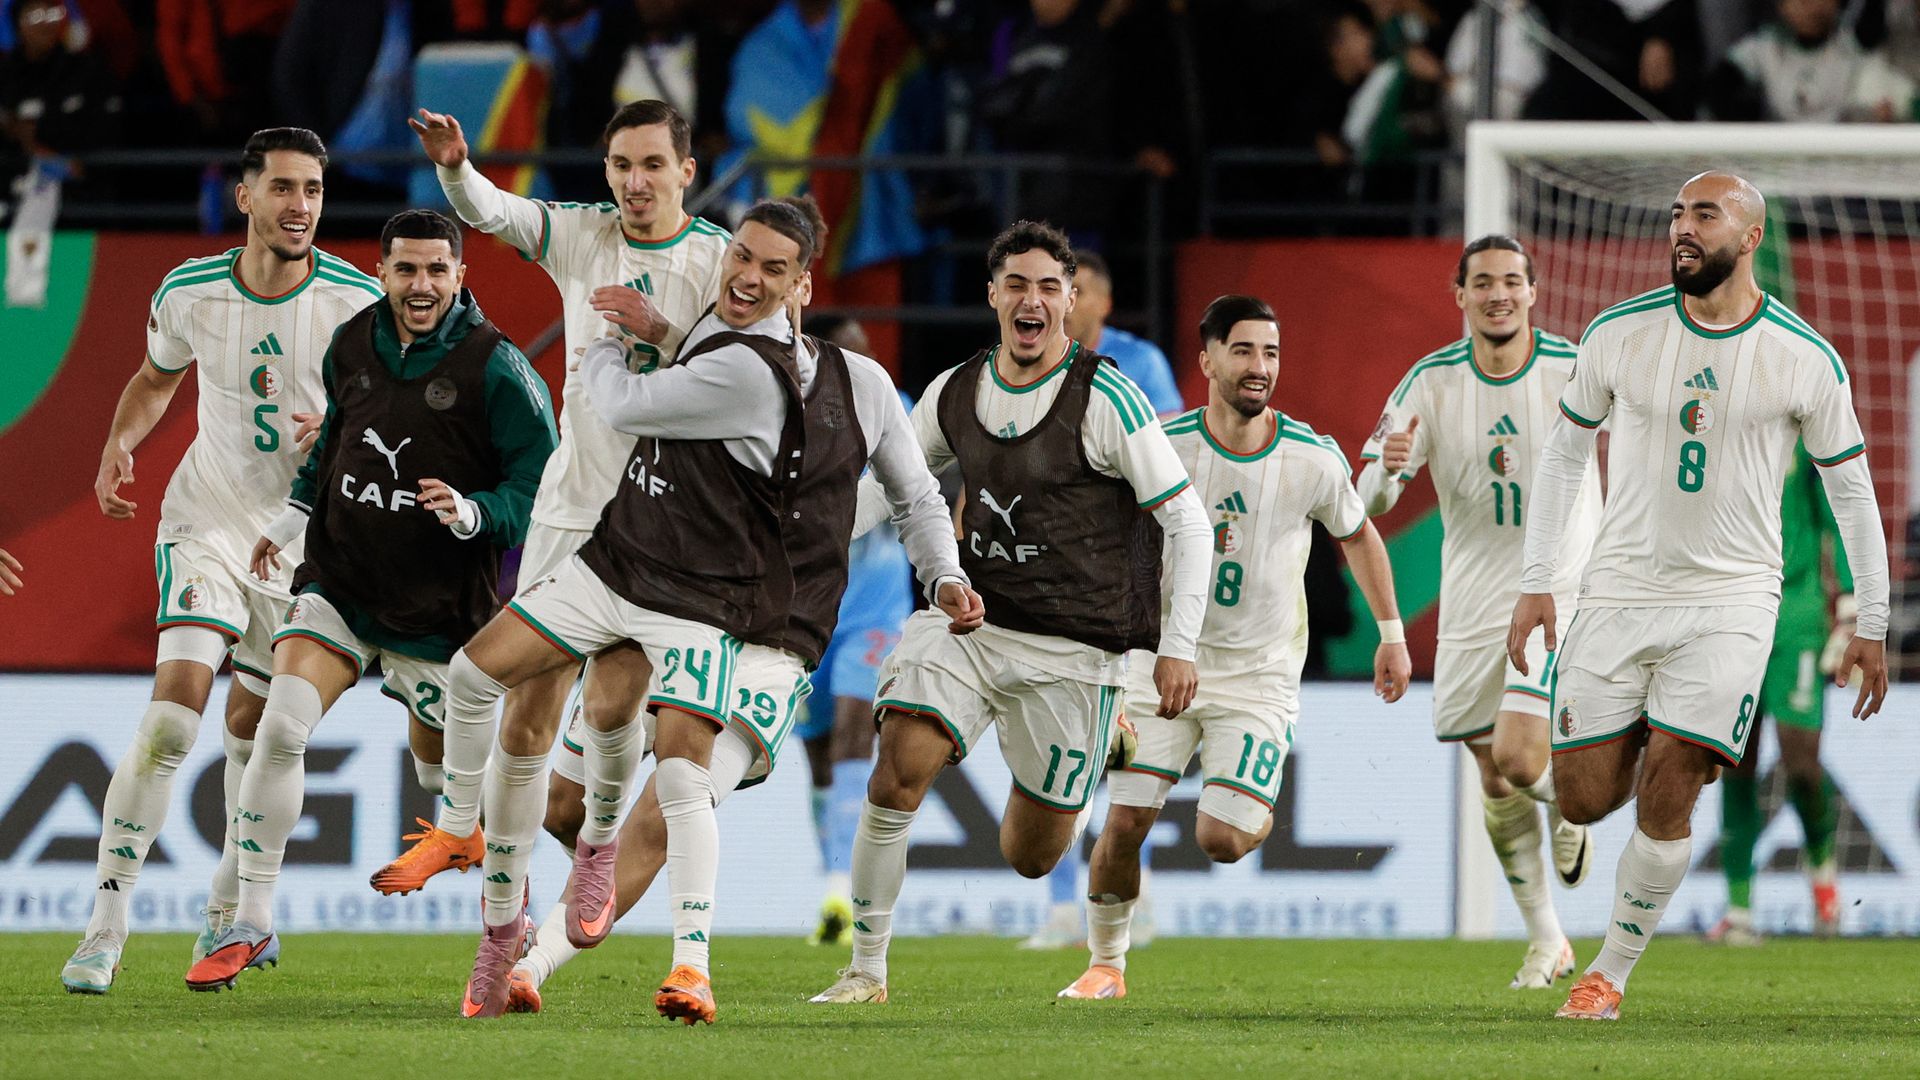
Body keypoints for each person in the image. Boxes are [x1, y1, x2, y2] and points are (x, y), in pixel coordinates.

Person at [449, 197, 976, 1022]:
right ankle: (571, 906)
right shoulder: (715, 360)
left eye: (774, 268)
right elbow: (695, 369)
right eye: (742, 257)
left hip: (773, 639)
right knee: (566, 804)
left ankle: (548, 964)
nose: (750, 277)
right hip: (679, 602)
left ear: (801, 286)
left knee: (668, 798)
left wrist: (941, 572)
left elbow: (910, 497)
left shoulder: (864, 387)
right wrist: (659, 333)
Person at [1512, 171, 1890, 1021]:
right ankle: (1626, 751)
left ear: (1750, 236)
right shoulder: (1618, 334)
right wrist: (1538, 580)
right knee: (1580, 796)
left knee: (1674, 787)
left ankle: (1607, 974)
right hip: (1618, 590)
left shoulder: (1803, 356)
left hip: (1733, 601)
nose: (1683, 228)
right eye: (1677, 214)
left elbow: (1853, 492)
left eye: (1704, 215)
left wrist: (1871, 618)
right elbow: (1567, 458)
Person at [809, 219, 1212, 1006]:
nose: (1033, 300)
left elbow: (1187, 523)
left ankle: (1106, 734)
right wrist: (802, 545)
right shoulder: (954, 391)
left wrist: (1177, 645)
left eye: (1049, 287)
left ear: (1071, 300)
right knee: (896, 770)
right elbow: (885, 490)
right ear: (993, 295)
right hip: (971, 620)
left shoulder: (1110, 398)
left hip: (1074, 647)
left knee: (1031, 853)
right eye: (1017, 285)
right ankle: (865, 971)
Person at [180, 209, 556, 990]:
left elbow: (541, 489)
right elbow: (334, 446)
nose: (420, 286)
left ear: (462, 277)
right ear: (382, 272)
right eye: (405, 270)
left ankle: (510, 901)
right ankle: (249, 920)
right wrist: (291, 520)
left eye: (436, 271)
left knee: (442, 781)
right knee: (281, 725)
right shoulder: (352, 341)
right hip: (340, 581)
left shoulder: (499, 369)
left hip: (440, 612)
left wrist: (476, 511)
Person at [371, 99, 729, 897]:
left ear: (686, 173)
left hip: (664, 523)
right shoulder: (582, 235)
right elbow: (492, 212)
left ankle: (598, 846)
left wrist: (665, 333)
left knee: (609, 714)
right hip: (570, 513)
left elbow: (750, 381)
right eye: (621, 166)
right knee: (524, 711)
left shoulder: (720, 261)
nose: (636, 183)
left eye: (652, 166)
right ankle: (489, 890)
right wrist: (456, 167)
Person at [60, 128, 381, 996]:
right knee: (173, 720)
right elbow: (157, 375)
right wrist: (119, 442)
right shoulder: (190, 289)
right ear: (244, 197)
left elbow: (392, 416)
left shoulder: (359, 299)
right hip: (206, 523)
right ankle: (105, 927)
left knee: (256, 730)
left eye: (313, 189)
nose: (300, 205)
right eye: (281, 187)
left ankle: (230, 906)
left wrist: (351, 432)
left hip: (305, 545)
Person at [1058, 294, 1411, 1000]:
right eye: (1245, 351)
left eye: (1271, 353)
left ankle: (1252, 794)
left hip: (1257, 676)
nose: (1260, 367)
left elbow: (1359, 534)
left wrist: (1392, 634)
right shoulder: (1163, 445)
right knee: (1124, 820)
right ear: (1207, 359)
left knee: (1222, 839)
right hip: (1161, 665)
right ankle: (1106, 966)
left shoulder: (1310, 456)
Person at [1355, 235, 1599, 990]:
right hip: (1471, 597)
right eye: (1483, 282)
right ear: (1459, 296)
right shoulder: (1430, 382)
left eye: (1512, 282)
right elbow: (1361, 499)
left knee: (1525, 759)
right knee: (1495, 777)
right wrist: (1388, 479)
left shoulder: (1573, 368)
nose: (1498, 294)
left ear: (1533, 292)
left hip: (1558, 584)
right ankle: (1547, 938)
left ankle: (1578, 802)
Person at [788, 314, 916, 947]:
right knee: (814, 755)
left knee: (851, 731)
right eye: (851, 354)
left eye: (870, 353)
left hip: (877, 610)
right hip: (809, 608)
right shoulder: (793, 412)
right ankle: (831, 887)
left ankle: (844, 887)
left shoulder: (901, 407)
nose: (865, 366)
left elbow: (923, 488)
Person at [1707, 442, 1855, 945]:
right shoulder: (1723, 428)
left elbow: (1841, 512)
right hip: (1733, 611)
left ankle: (1824, 882)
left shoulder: (1805, 429)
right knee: (1734, 759)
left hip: (1796, 617)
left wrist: (1851, 605)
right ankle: (1739, 907)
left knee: (1803, 764)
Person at [1063, 252, 1183, 417]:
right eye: (1058, 291)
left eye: (1078, 292)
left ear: (1105, 305)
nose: (1065, 302)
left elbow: (1169, 429)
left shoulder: (1143, 359)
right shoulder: (1030, 357)